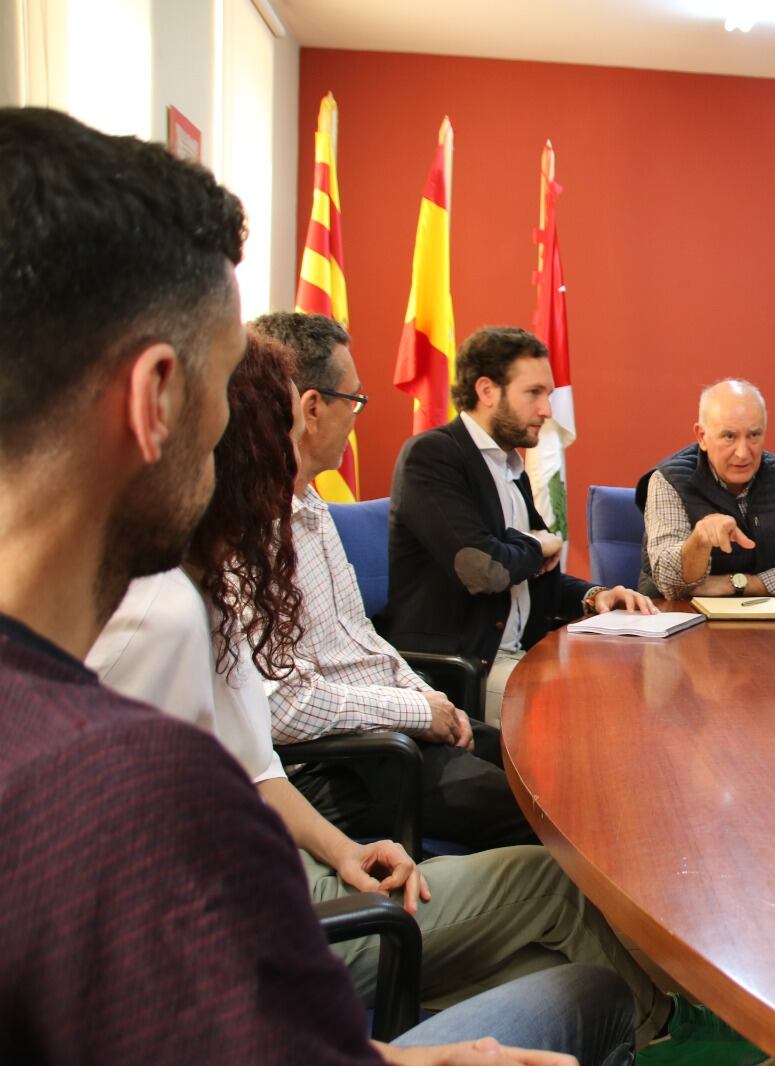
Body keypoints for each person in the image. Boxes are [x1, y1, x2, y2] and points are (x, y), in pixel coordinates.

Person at [0, 104, 622, 1065]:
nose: (243, 439)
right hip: (334, 847)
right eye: (224, 392)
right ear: (155, 399)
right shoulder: (131, 780)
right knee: (590, 996)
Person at [87, 333, 678, 1059]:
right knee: (559, 867)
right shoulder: (158, 615)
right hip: (278, 913)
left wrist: (343, 849)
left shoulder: (220, 580)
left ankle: (651, 1017)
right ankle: (674, 1031)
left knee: (580, 964)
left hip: (307, 862)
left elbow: (266, 755)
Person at [249, 310, 534, 851]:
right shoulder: (253, 530)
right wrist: (416, 711)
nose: (358, 416)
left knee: (546, 765)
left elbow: (363, 641)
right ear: (311, 409)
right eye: (353, 401)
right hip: (344, 764)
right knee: (545, 813)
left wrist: (430, 700)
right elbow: (281, 706)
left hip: (392, 730)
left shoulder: (311, 504)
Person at [386, 326, 653, 725]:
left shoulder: (511, 469)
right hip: (463, 671)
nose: (547, 410)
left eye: (548, 394)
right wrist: (534, 546)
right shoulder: (434, 456)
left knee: (632, 682)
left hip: (520, 656)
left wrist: (595, 595)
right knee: (597, 710)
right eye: (534, 393)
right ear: (487, 391)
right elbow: (484, 569)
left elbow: (531, 574)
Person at [640, 378, 775, 599]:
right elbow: (669, 583)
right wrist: (699, 541)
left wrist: (738, 584)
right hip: (681, 620)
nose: (743, 453)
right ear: (702, 437)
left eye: (754, 435)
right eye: (729, 436)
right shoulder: (668, 480)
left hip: (766, 621)